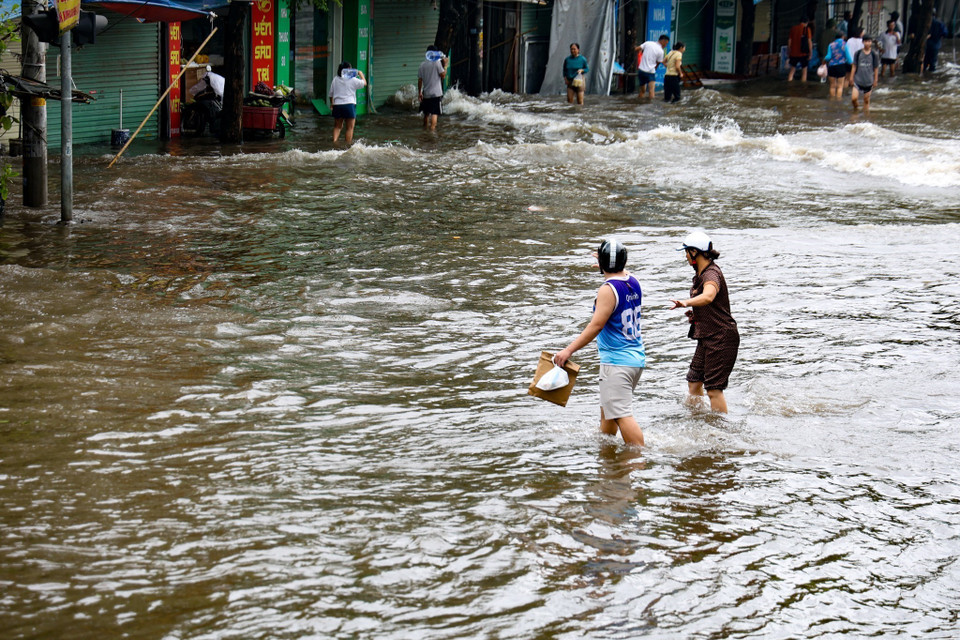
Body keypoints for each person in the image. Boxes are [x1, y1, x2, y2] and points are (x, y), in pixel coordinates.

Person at [554, 238, 646, 446]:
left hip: (617, 363)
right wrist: (608, 263)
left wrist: (568, 351)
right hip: (634, 360)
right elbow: (621, 271)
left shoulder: (607, 289)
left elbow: (596, 326)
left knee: (622, 415)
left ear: (603, 264)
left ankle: (640, 459)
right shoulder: (634, 281)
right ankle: (608, 463)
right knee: (609, 417)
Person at [669, 231, 739, 414]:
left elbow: (708, 296)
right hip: (707, 336)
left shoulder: (711, 274)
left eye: (686, 252)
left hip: (721, 337)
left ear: (694, 252)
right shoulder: (700, 274)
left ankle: (720, 430)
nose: (685, 256)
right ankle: (699, 420)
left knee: (714, 389)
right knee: (694, 382)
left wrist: (687, 302)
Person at [329, 62, 366, 144]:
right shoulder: (353, 79)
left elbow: (331, 94)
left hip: (337, 105)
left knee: (337, 126)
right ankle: (347, 146)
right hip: (349, 105)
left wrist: (332, 103)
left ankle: (334, 142)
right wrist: (360, 73)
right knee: (350, 128)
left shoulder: (335, 79)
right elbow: (364, 83)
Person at [418, 45, 448, 130]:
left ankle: (425, 130)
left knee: (426, 113)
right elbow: (443, 75)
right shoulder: (437, 63)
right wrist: (445, 65)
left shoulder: (422, 65)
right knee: (435, 113)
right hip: (436, 93)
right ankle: (432, 130)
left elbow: (420, 80)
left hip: (426, 93)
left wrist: (419, 92)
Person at [851, 35, 880, 111]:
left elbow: (876, 68)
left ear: (871, 42)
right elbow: (854, 66)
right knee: (854, 99)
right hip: (858, 80)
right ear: (863, 42)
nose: (867, 43)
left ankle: (866, 117)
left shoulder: (874, 54)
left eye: (869, 41)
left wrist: (875, 80)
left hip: (868, 81)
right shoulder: (858, 53)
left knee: (866, 100)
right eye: (866, 41)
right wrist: (851, 78)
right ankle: (856, 110)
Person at [635, 35, 669, 99]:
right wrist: (655, 68)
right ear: (663, 41)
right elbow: (658, 62)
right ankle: (651, 107)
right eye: (666, 43)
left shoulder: (648, 43)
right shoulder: (661, 51)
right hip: (650, 72)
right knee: (651, 91)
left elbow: (637, 49)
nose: (666, 45)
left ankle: (639, 102)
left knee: (642, 91)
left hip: (641, 71)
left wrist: (639, 53)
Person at [825, 32, 852, 99]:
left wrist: (824, 60)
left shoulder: (831, 45)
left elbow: (828, 57)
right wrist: (851, 63)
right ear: (842, 37)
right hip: (841, 66)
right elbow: (848, 57)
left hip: (831, 66)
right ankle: (838, 100)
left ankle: (832, 100)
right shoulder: (845, 44)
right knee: (840, 86)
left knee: (832, 86)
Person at [787, 16, 814, 82]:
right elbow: (809, 42)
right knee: (804, 71)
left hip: (793, 53)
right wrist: (810, 53)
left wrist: (789, 51)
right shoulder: (807, 29)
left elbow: (789, 40)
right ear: (806, 22)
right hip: (803, 53)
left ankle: (789, 82)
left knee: (792, 69)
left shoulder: (793, 28)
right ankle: (803, 87)